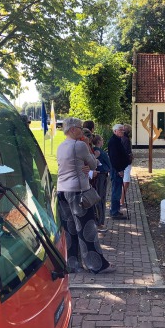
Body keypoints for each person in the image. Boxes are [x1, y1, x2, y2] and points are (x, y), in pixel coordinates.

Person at [56, 117, 114, 274]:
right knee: (86, 229)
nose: (82, 131)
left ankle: (73, 264)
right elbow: (94, 164)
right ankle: (96, 265)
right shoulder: (80, 145)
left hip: (62, 191)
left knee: (70, 230)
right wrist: (88, 152)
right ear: (73, 129)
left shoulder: (60, 147)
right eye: (80, 128)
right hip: (78, 192)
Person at [108, 124, 131, 220]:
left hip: (119, 168)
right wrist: (119, 170)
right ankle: (114, 212)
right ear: (115, 131)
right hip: (116, 169)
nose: (122, 131)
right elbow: (114, 158)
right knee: (116, 191)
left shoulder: (117, 140)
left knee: (117, 189)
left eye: (123, 130)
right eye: (120, 130)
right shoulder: (114, 142)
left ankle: (115, 210)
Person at [92, 134, 111, 232]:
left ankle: (98, 220)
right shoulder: (102, 153)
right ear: (99, 142)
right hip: (101, 176)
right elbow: (109, 165)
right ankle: (100, 221)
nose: (103, 142)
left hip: (94, 177)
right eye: (102, 140)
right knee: (101, 197)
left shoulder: (91, 150)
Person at [120, 124, 133, 209]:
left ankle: (121, 199)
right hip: (126, 163)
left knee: (125, 181)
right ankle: (122, 200)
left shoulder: (122, 138)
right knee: (126, 181)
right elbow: (125, 151)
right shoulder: (126, 139)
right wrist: (130, 156)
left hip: (124, 162)